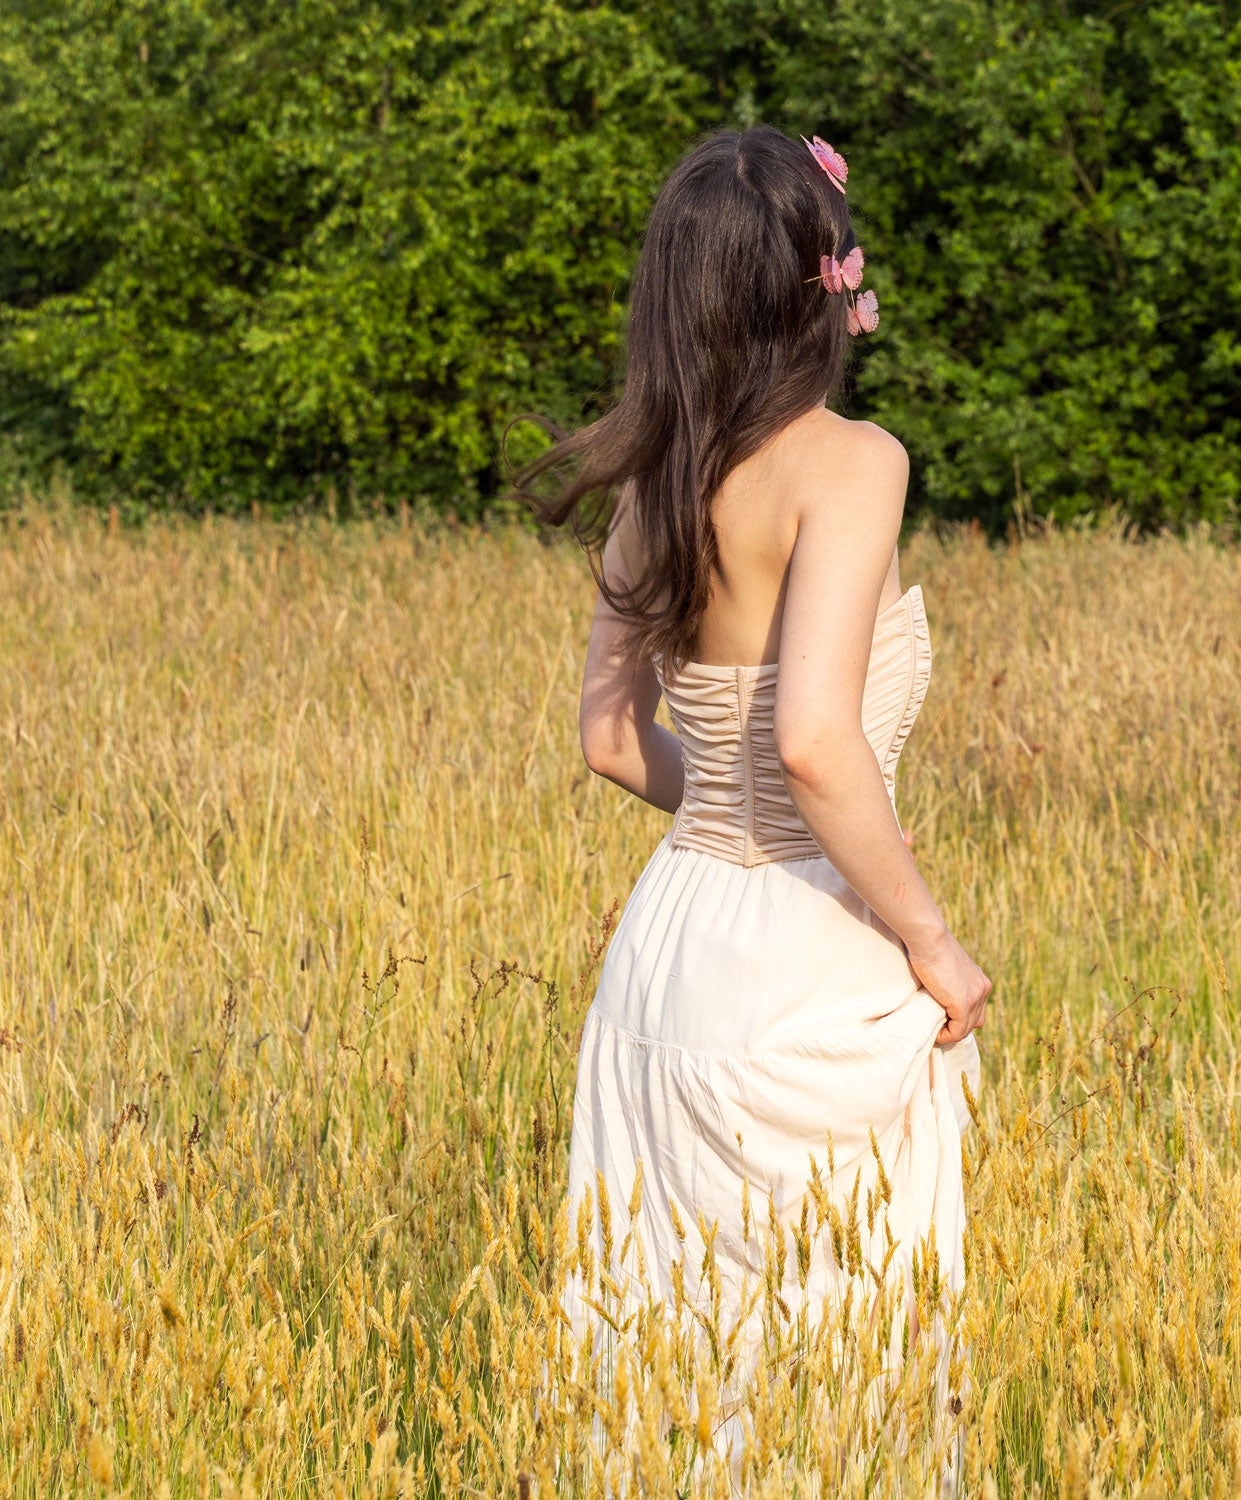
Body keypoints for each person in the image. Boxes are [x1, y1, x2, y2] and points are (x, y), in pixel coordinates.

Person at [516, 123, 990, 1491]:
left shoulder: (655, 471)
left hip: (668, 951)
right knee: (839, 1363)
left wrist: (722, 806)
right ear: (823, 288)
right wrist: (934, 942)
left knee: (668, 1354)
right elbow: (817, 744)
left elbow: (614, 744)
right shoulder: (853, 464)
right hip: (803, 949)